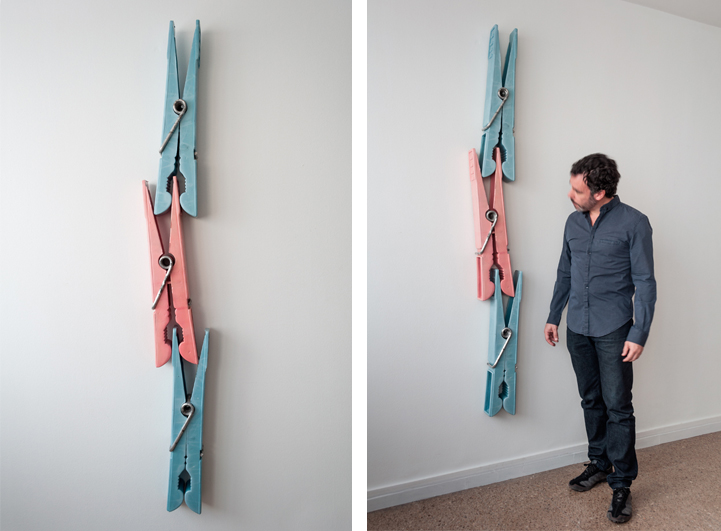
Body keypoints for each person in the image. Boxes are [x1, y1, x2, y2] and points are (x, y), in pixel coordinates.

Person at [544, 153, 656, 524]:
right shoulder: (572, 223)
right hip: (578, 327)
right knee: (590, 399)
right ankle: (599, 461)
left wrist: (639, 332)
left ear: (599, 192)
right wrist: (554, 316)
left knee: (618, 406)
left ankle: (621, 484)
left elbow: (645, 282)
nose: (570, 195)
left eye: (577, 190)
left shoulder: (634, 223)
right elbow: (564, 271)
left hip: (614, 329)